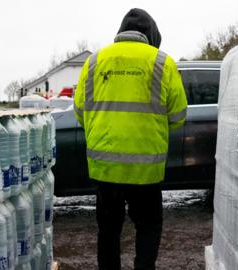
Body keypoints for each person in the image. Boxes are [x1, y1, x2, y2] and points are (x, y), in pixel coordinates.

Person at [74, 8, 187, 270]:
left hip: (105, 168)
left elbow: (80, 111)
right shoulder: (163, 62)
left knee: (109, 231)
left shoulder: (94, 62)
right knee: (148, 227)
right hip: (145, 170)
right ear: (151, 35)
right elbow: (178, 115)